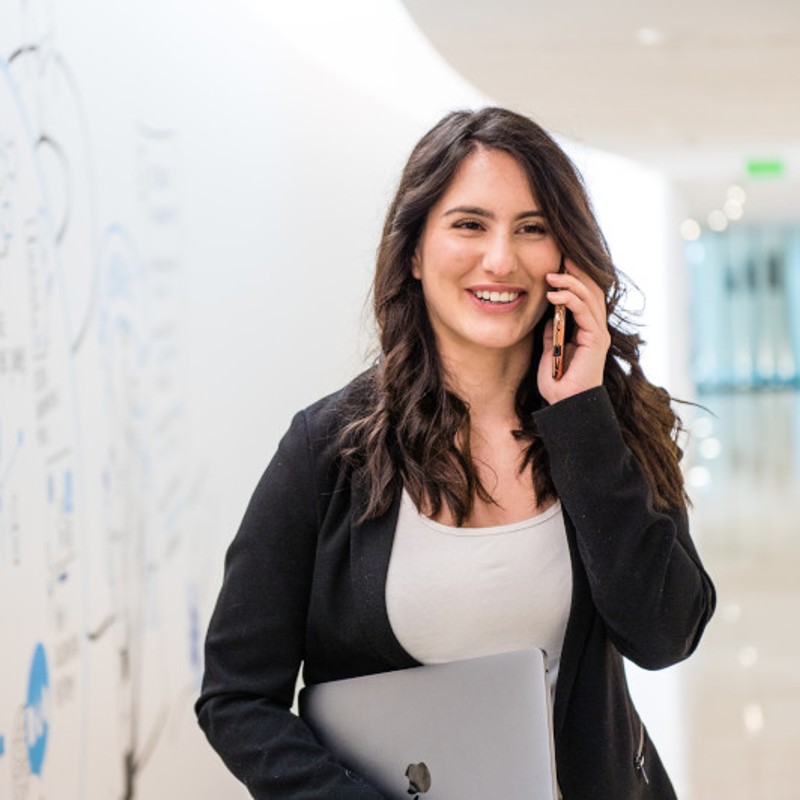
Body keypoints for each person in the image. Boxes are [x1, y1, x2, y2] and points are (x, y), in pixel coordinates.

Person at [195, 107, 716, 799]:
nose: (500, 259)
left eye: (532, 228)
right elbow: (236, 699)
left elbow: (664, 636)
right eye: (469, 224)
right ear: (413, 251)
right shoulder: (327, 450)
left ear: (566, 258)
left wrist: (581, 419)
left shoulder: (613, 425)